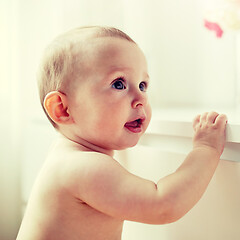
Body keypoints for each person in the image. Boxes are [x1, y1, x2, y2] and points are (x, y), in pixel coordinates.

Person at [16, 26, 228, 240]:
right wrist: (205, 148)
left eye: (143, 85)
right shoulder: (83, 166)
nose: (141, 98)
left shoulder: (67, 156)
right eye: (119, 84)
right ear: (62, 109)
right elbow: (163, 205)